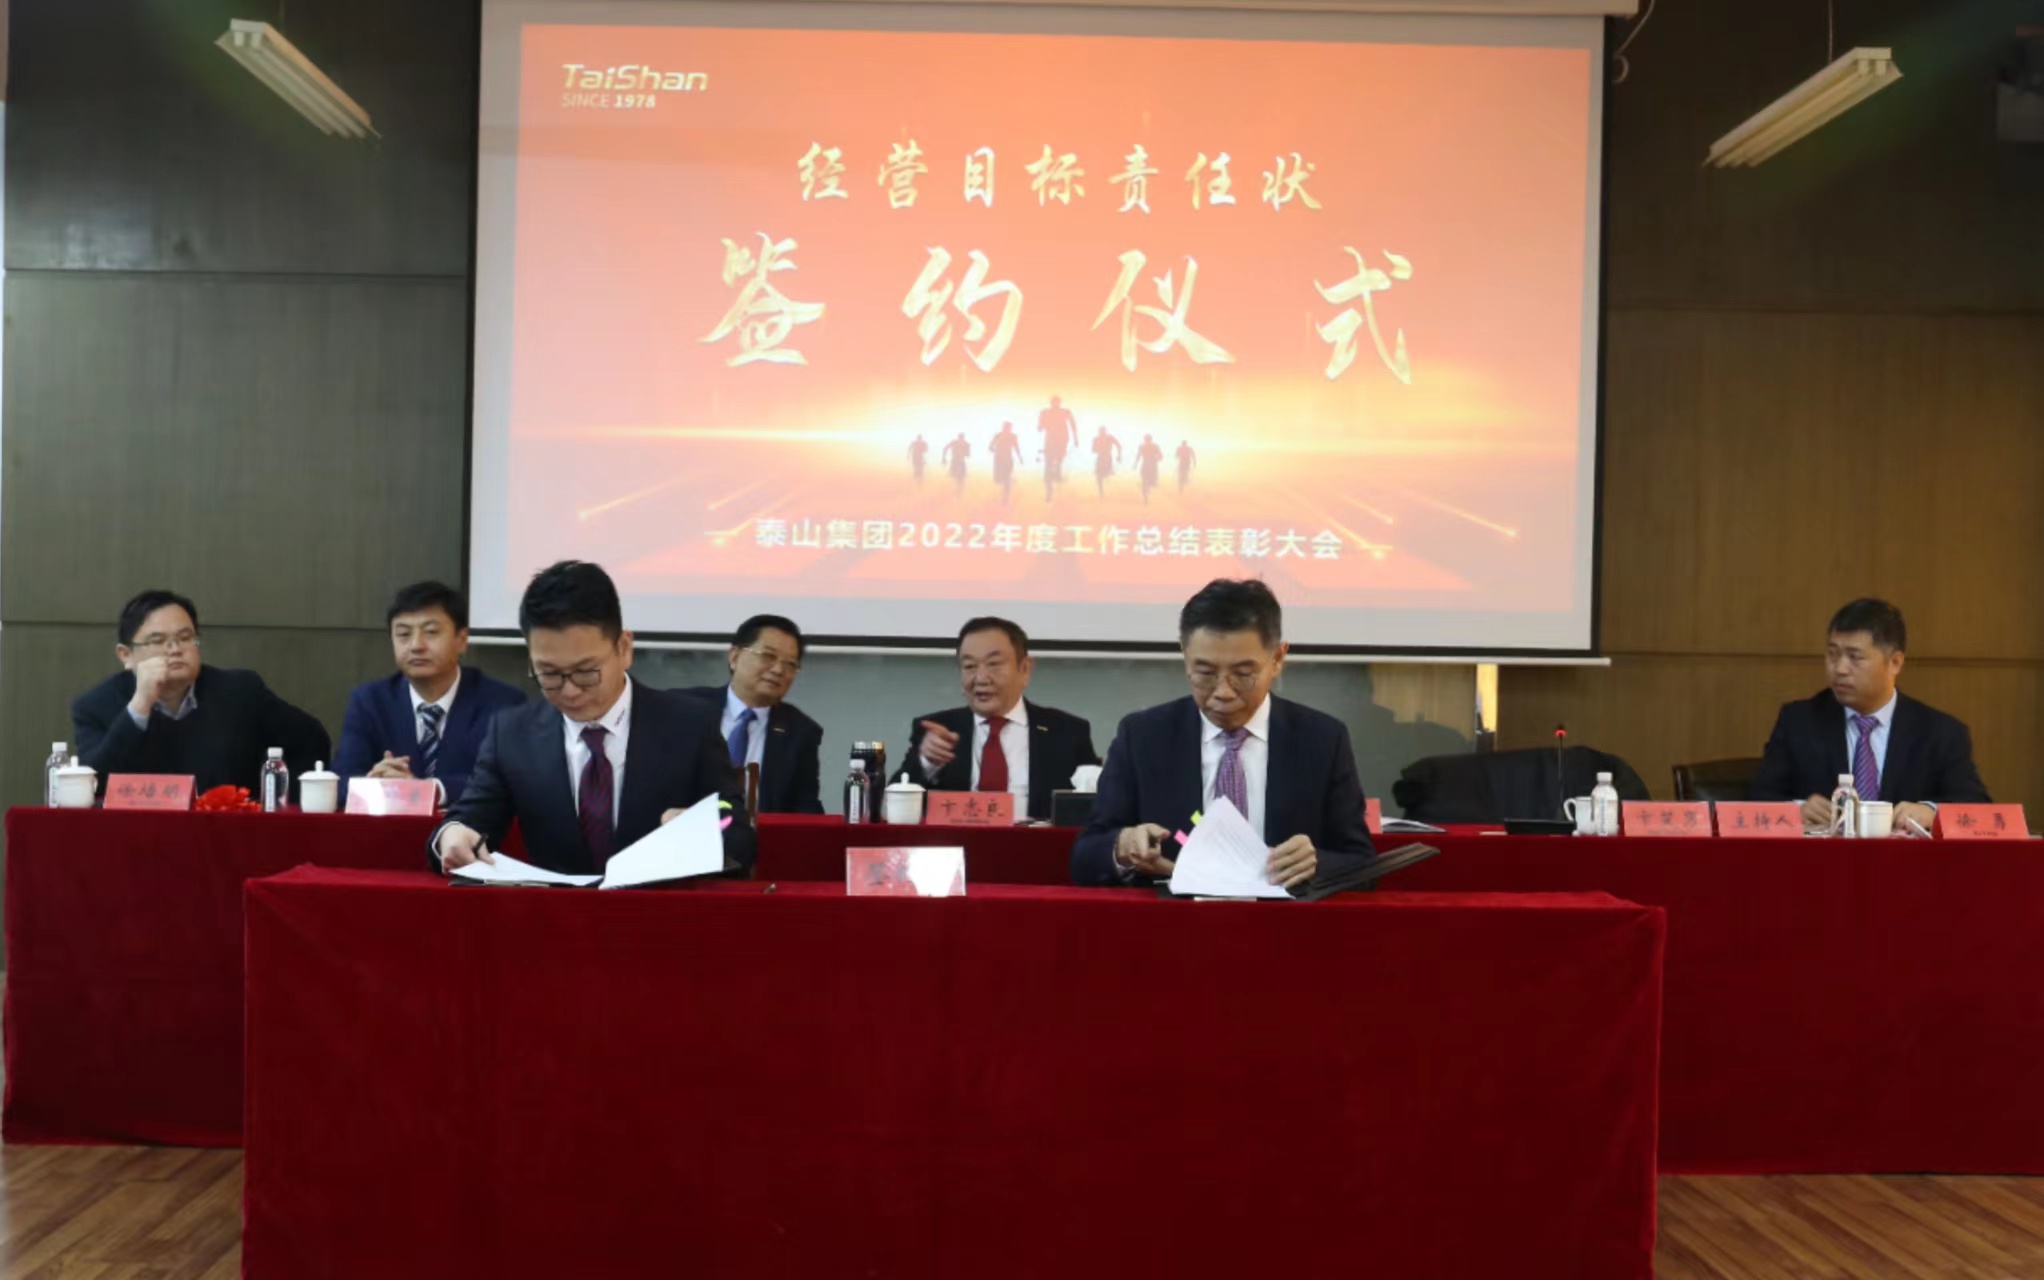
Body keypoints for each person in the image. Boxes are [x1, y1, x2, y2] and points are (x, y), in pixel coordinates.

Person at [430, 561, 755, 877]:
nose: (570, 691)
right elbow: (470, 819)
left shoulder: (689, 725)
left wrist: (706, 831)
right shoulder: (512, 734)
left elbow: (736, 829)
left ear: (624, 648)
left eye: (586, 671)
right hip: (556, 911)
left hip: (658, 909)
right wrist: (453, 834)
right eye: (549, 673)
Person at [1071, 578, 1375, 888]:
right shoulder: (1143, 737)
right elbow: (1085, 857)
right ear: (1185, 656)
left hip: (1283, 915)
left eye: (1243, 674)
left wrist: (1316, 863)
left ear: (1277, 659)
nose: (1223, 692)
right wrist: (1122, 848)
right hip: (1173, 913)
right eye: (1205, 673)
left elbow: (1361, 862)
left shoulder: (1322, 740)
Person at [1747, 598, 1989, 832]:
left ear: (1894, 663)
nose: (1840, 668)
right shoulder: (1799, 722)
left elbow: (1978, 808)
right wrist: (1795, 810)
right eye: (1833, 654)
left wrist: (1932, 812)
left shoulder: (1940, 732)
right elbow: (1755, 801)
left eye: (1855, 657)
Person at [71, 589, 330, 797]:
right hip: (138, 838)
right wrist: (140, 705)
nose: (175, 649)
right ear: (126, 655)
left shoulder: (241, 692)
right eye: (158, 641)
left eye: (185, 638)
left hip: (228, 836)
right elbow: (94, 785)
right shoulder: (96, 706)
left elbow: (311, 740)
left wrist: (275, 803)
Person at [332, 581, 526, 807]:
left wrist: (427, 791)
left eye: (431, 632)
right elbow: (340, 782)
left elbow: (509, 781)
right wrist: (375, 783)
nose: (416, 645)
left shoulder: (503, 703)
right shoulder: (369, 701)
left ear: (461, 640)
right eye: (404, 634)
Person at [906, 617, 1099, 822]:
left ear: (1024, 669)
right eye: (969, 666)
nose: (981, 678)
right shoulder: (938, 731)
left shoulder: (1067, 732)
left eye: (994, 664)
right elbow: (895, 803)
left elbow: (1097, 805)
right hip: (957, 842)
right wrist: (927, 762)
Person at [679, 614, 825, 815]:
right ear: (734, 657)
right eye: (768, 656)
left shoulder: (800, 732)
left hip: (757, 835)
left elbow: (804, 810)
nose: (778, 670)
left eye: (790, 664)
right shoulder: (683, 709)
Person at [1036, 395, 1078, 500]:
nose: (1055, 404)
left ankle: (1057, 472)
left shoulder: (1065, 412)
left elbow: (1073, 424)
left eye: (1057, 402)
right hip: (1050, 441)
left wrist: (1076, 438)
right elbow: (1040, 427)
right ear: (1051, 403)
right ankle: (1049, 488)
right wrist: (1042, 424)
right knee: (1048, 463)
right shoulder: (1045, 412)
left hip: (1062, 440)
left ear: (1059, 403)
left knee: (1058, 460)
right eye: (1054, 402)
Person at [990, 421, 1022, 505]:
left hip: (1004, 458)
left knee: (1005, 478)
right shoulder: (1000, 435)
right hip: (1002, 458)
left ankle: (1005, 496)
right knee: (1001, 479)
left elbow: (1016, 447)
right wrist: (1020, 458)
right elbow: (990, 447)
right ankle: (1006, 493)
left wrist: (1020, 458)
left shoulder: (1009, 436)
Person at [1091, 425, 1123, 497]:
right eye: (1101, 432)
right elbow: (1093, 450)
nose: (1102, 433)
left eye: (1103, 431)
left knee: (1105, 473)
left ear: (1105, 432)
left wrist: (1119, 456)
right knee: (1098, 476)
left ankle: (1109, 472)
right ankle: (1101, 491)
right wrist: (1098, 449)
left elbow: (1119, 446)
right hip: (1100, 457)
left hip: (1108, 457)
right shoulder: (1096, 439)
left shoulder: (1110, 438)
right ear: (1099, 432)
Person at [1136, 434, 1164, 504]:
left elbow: (1138, 456)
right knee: (1149, 479)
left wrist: (1136, 463)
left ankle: (1146, 490)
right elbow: (1161, 456)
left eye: (1147, 439)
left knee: (1146, 479)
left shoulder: (1144, 446)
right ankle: (1148, 488)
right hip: (1151, 465)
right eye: (1147, 439)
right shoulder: (1152, 446)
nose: (1147, 441)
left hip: (1147, 465)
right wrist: (1157, 459)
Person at [943, 431, 972, 496]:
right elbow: (968, 455)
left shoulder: (960, 443)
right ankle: (957, 492)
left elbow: (968, 454)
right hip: (957, 462)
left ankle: (958, 492)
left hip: (958, 462)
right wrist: (944, 458)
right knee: (958, 478)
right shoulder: (964, 443)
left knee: (959, 478)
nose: (961, 439)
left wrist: (944, 458)